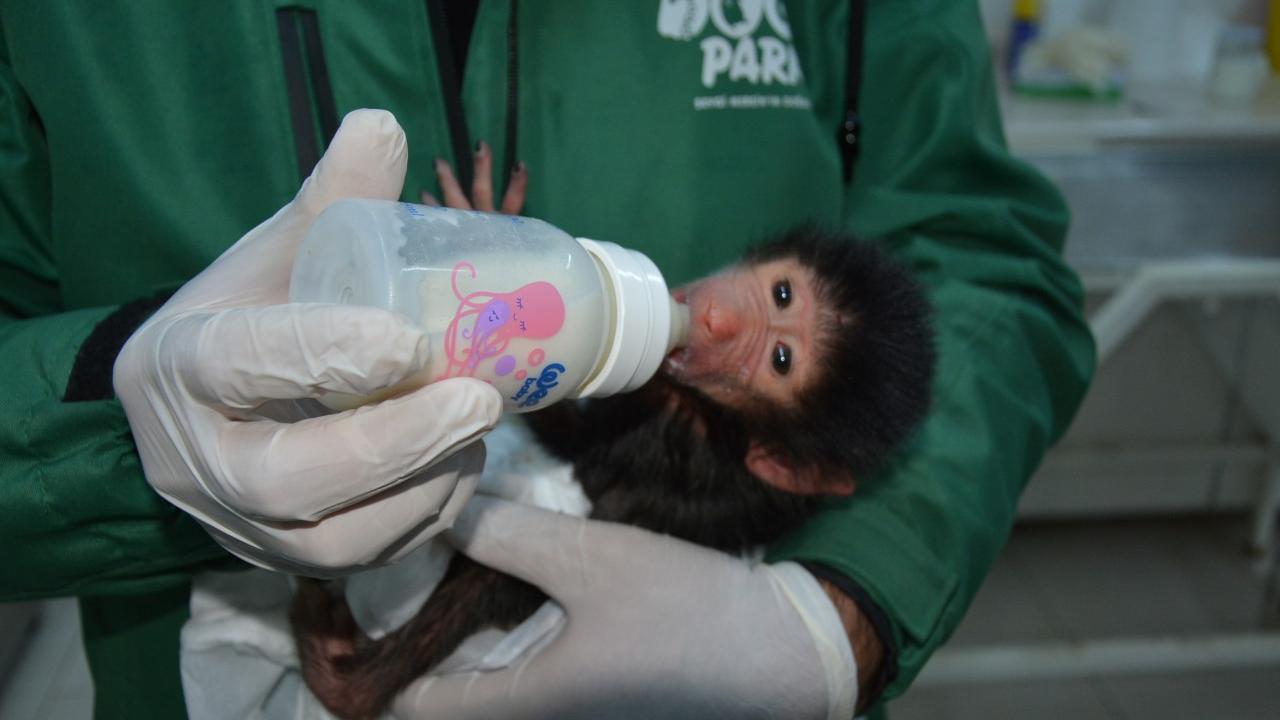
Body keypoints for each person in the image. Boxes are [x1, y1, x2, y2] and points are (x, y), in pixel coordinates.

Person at [0, 1, 1095, 718]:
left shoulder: (716, 469)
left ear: (787, 465)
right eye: (770, 298)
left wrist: (841, 612)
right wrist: (108, 409)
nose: (714, 325)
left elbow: (981, 250)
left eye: (768, 357)